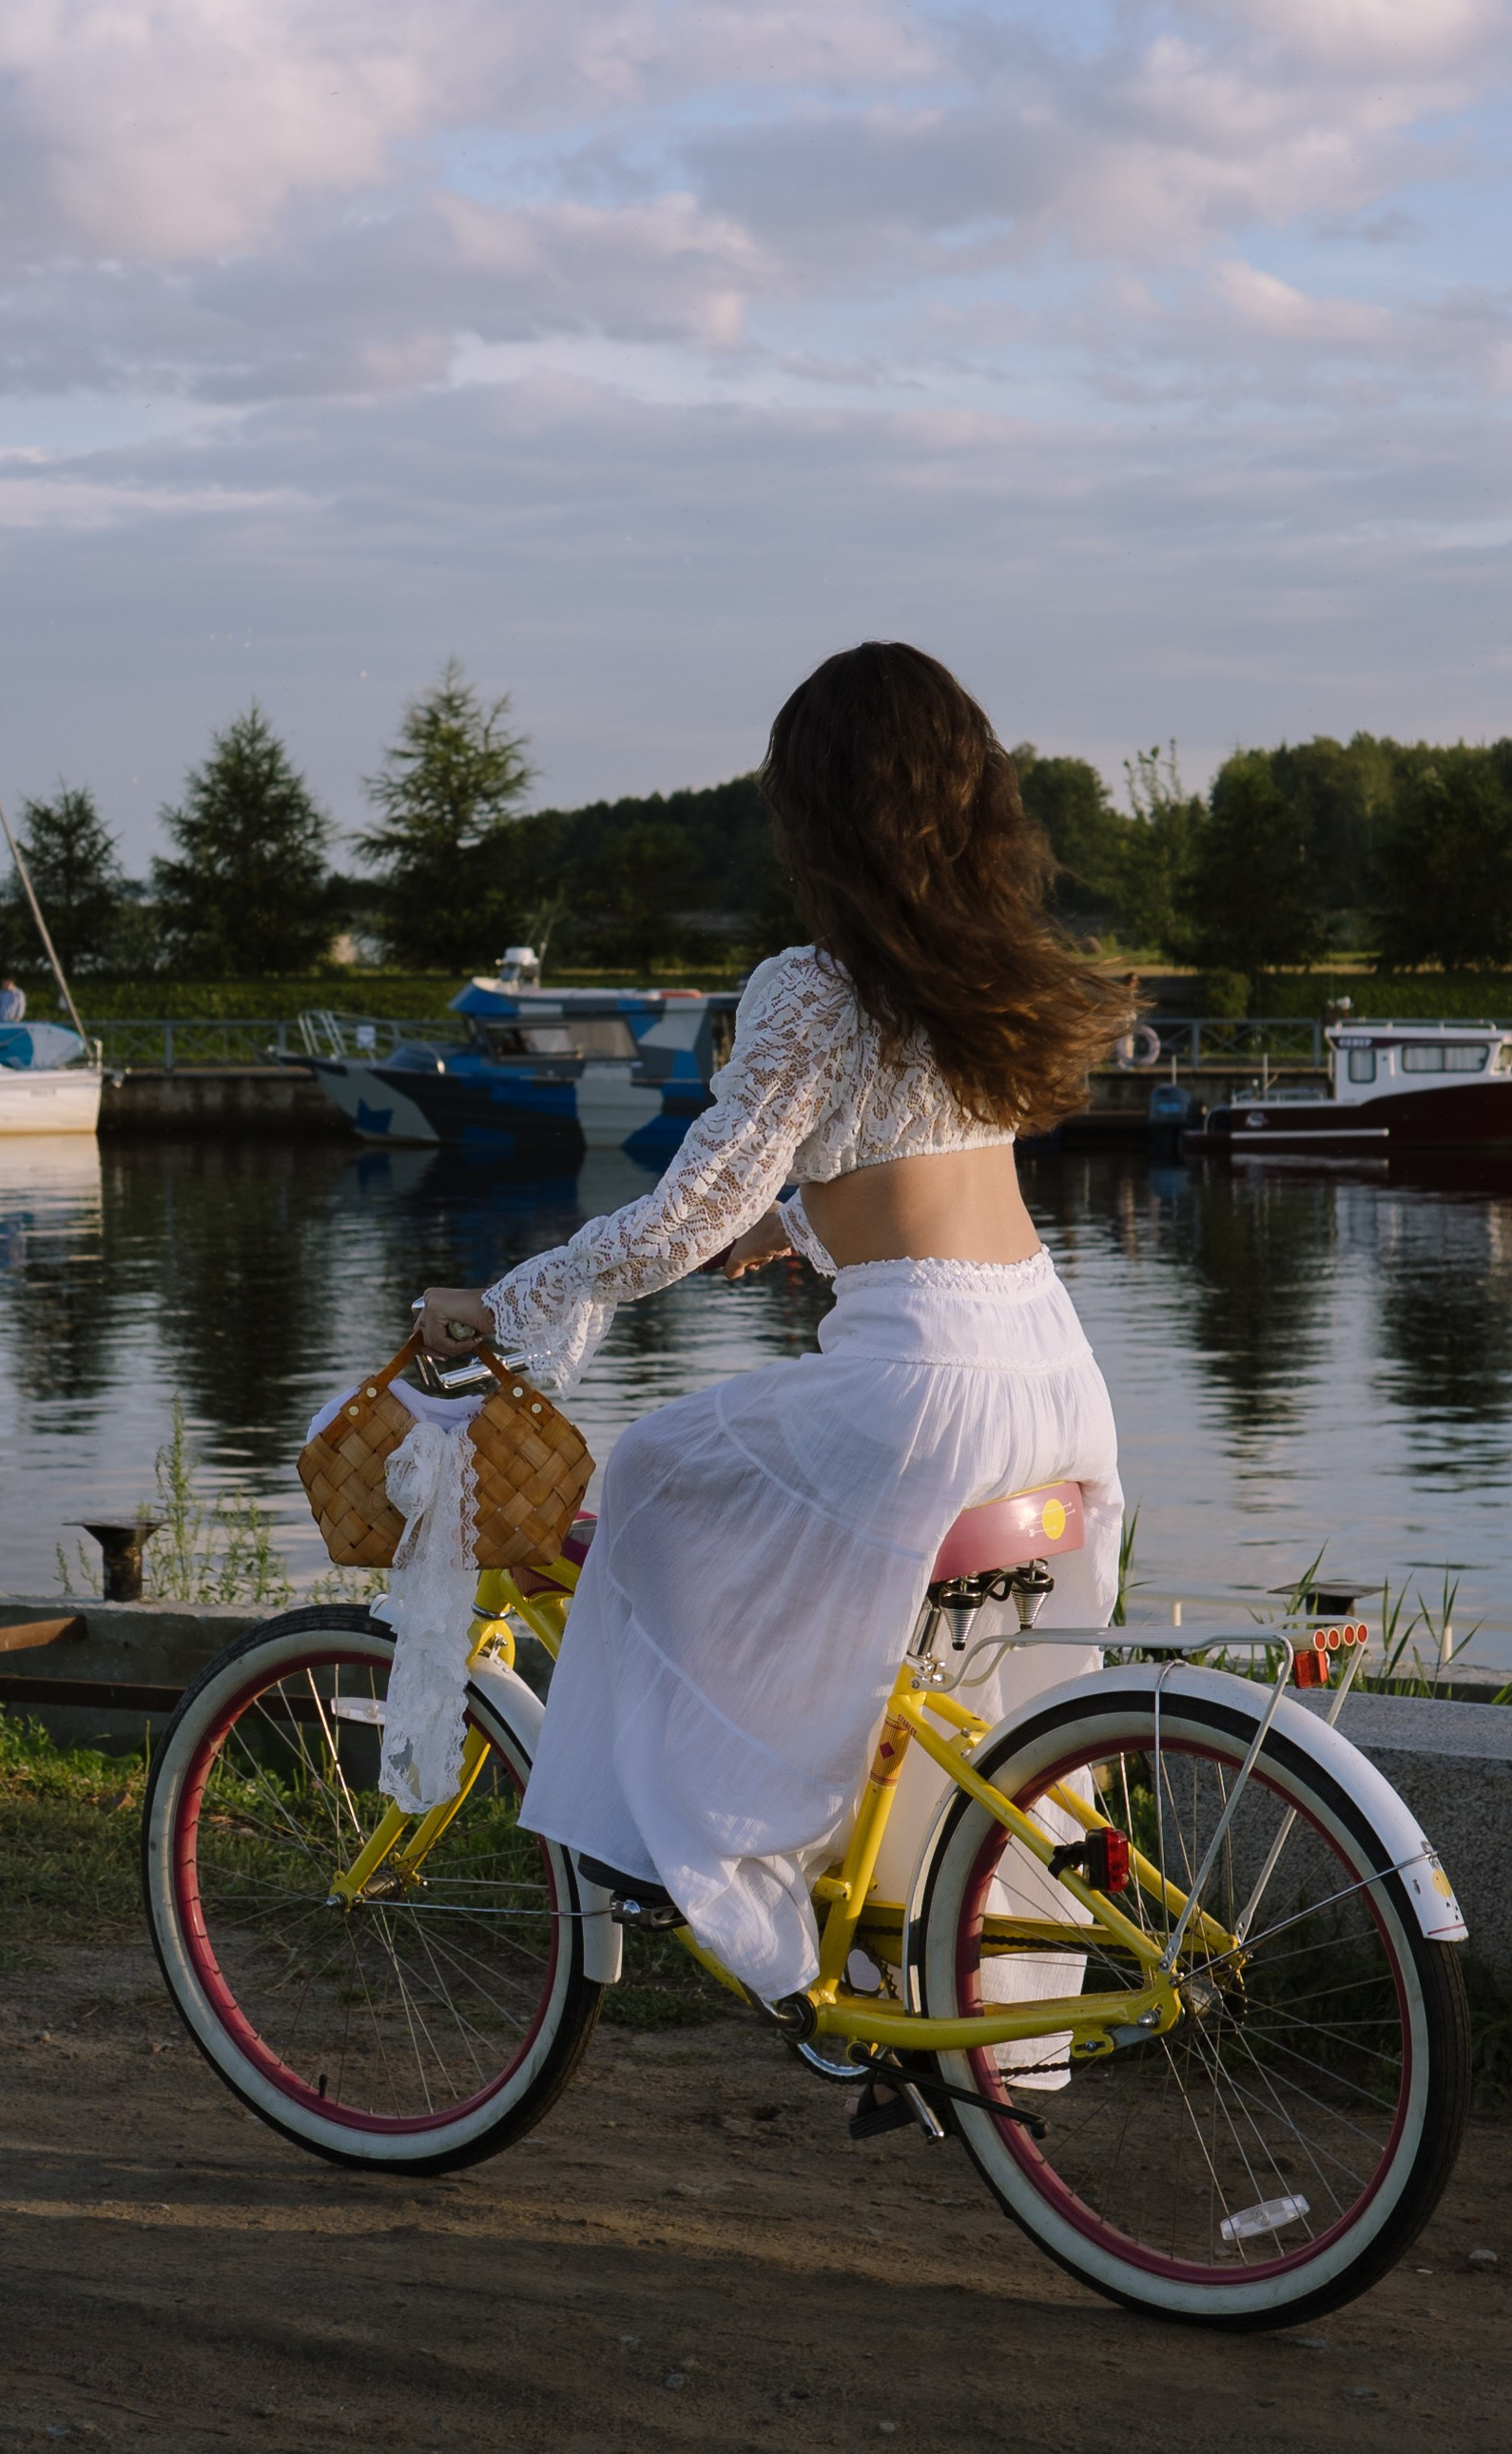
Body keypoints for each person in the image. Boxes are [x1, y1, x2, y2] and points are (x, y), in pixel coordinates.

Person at [416, 640, 1128, 2011]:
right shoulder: (973, 970)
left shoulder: (812, 984)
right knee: (963, 1695)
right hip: (1050, 1371)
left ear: (817, 811)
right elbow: (927, 1168)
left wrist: (515, 1299)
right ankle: (917, 1965)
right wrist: (796, 1230)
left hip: (923, 1386)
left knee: (647, 1480)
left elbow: (681, 1218)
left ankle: (675, 1848)